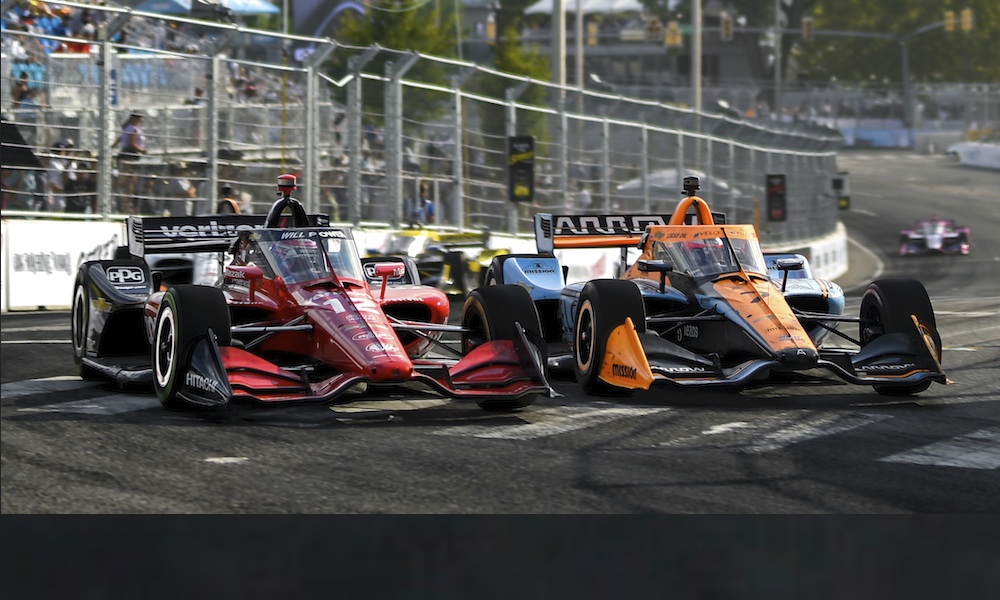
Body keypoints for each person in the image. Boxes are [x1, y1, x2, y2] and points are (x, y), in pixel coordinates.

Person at [113, 111, 147, 212]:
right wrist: (142, 150)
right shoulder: (133, 129)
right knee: (130, 182)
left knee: (128, 181)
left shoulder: (128, 128)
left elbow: (120, 139)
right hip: (130, 155)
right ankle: (126, 204)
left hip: (127, 154)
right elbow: (131, 143)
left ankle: (124, 202)